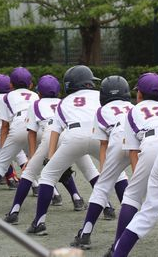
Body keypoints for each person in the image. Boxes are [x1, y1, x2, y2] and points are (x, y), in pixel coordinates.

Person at [27, 65, 110, 236]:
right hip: (98, 135)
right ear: (84, 84)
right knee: (117, 176)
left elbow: (56, 131)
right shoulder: (99, 95)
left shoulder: (63, 102)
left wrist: (51, 157)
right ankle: (109, 209)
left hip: (73, 136)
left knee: (48, 176)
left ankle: (39, 222)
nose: (91, 86)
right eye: (89, 83)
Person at [104, 72, 158, 256]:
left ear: (139, 95)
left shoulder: (133, 112)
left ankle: (117, 246)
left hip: (152, 146)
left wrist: (140, 178)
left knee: (131, 196)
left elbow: (133, 150)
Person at [3, 75, 87, 225]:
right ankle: (84, 200)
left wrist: (33, 155)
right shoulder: (64, 102)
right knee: (86, 170)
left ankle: (14, 212)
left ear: (39, 93)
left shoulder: (35, 104)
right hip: (71, 135)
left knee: (30, 173)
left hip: (49, 135)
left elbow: (32, 132)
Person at [70, 75, 133, 249]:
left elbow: (103, 144)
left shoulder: (102, 111)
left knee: (101, 189)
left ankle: (85, 234)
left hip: (117, 142)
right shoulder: (134, 107)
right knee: (154, 185)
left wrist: (105, 170)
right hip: (140, 145)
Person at [0, 67, 39, 206]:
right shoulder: (35, 95)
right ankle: (64, 196)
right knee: (44, 166)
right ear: (30, 84)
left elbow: (5, 126)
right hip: (37, 130)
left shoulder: (7, 97)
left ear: (11, 84)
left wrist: (2, 150)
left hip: (18, 126)